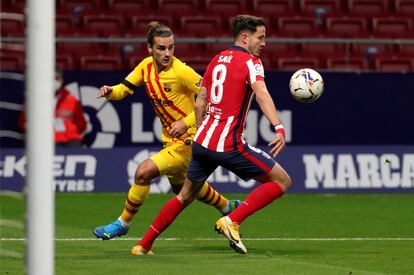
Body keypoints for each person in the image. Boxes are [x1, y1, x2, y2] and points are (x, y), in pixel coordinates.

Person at [130, 15, 292, 256]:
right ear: (245, 38)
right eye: (261, 37)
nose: (264, 43)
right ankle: (232, 220)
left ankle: (143, 245)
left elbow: (201, 101)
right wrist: (278, 126)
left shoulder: (216, 59)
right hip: (229, 144)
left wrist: (202, 127)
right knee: (282, 181)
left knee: (184, 195)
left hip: (202, 142)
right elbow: (261, 92)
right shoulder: (251, 62)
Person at [93, 22, 241, 240]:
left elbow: (211, 98)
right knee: (186, 188)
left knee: (143, 172)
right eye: (162, 48)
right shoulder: (145, 67)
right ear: (149, 49)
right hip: (171, 142)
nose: (167, 53)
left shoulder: (181, 71)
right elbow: (123, 89)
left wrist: (186, 123)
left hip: (189, 142)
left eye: (171, 47)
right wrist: (109, 92)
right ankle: (227, 206)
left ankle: (122, 223)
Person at [18, 69, 87, 148]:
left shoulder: (71, 99)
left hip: (70, 140)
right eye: (50, 78)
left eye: (57, 78)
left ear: (61, 80)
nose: (53, 81)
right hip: (43, 140)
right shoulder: (33, 100)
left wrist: (69, 128)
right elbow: (22, 123)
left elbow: (82, 124)